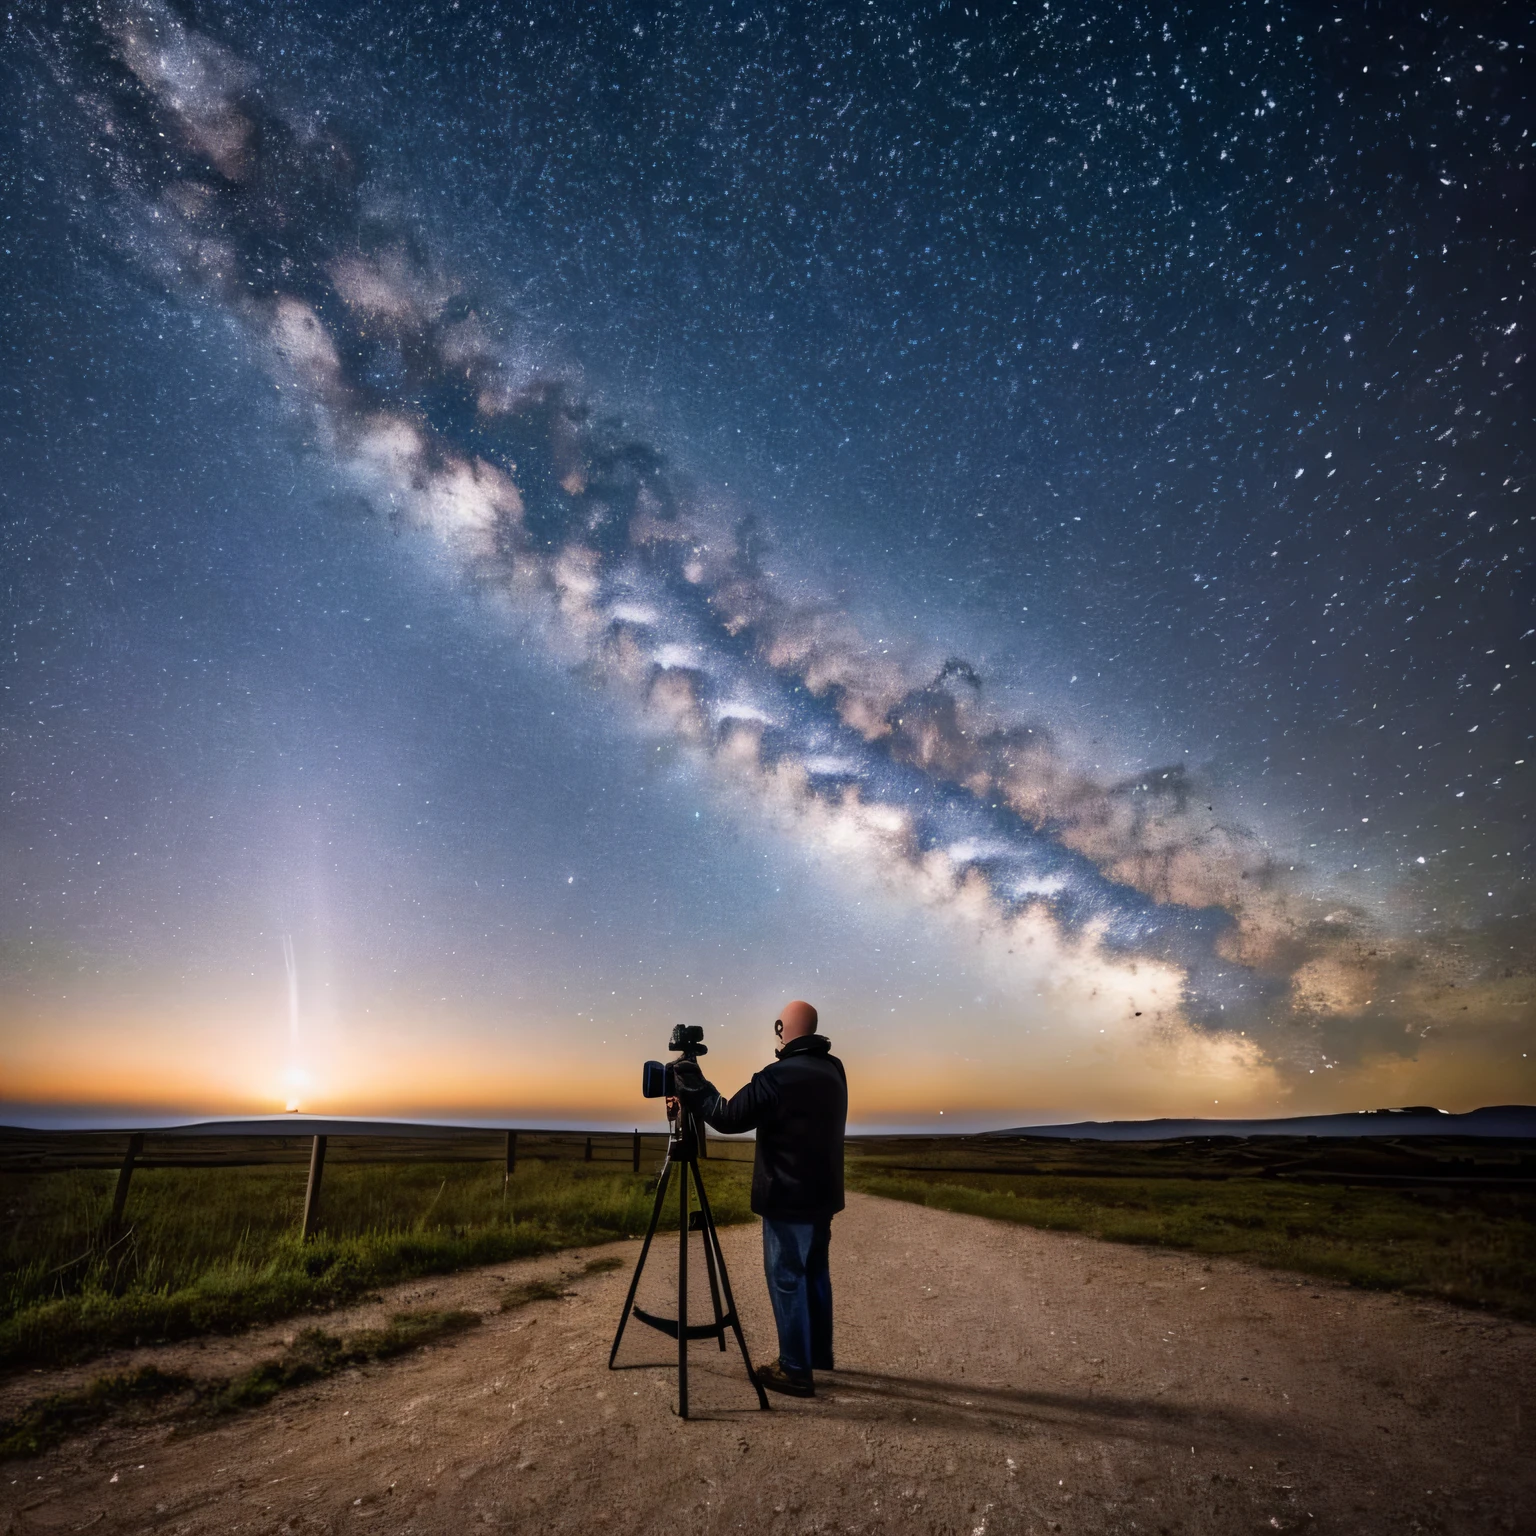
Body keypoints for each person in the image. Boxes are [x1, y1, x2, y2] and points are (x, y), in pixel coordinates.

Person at [671, 999, 847, 1398]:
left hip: (787, 1197)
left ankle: (795, 1370)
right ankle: (816, 1355)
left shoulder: (776, 1076)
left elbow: (728, 1115)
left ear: (781, 1028)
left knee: (787, 1278)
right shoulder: (834, 1069)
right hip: (822, 1194)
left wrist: (694, 1084)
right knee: (815, 1273)